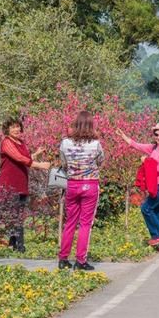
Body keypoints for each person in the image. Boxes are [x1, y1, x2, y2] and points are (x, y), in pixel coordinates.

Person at [116, 123, 159, 251]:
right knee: (157, 213)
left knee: (146, 208)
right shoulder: (154, 148)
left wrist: (146, 161)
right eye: (157, 134)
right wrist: (125, 138)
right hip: (155, 185)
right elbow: (138, 146)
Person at [58, 111, 105, 271]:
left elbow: (63, 163)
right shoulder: (96, 144)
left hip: (72, 184)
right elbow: (100, 161)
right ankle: (80, 260)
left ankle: (63, 258)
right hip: (90, 184)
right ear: (91, 125)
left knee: (70, 222)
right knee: (85, 224)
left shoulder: (65, 143)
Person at [0, 116, 50, 252]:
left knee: (18, 214)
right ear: (7, 129)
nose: (16, 129)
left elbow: (25, 159)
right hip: (9, 184)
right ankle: (20, 246)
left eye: (17, 126)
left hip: (21, 183)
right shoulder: (6, 142)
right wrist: (40, 165)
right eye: (13, 127)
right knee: (15, 214)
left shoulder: (21, 142)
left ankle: (12, 244)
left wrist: (36, 154)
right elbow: (19, 158)